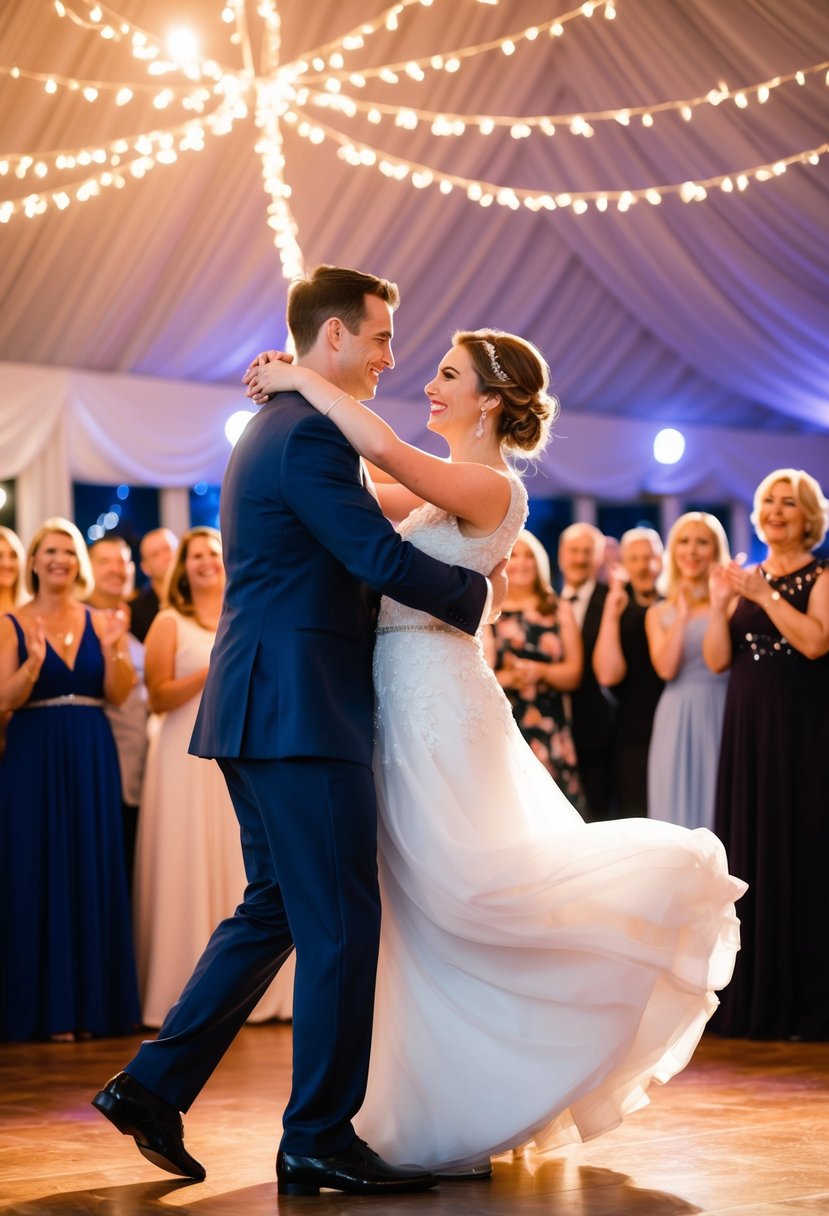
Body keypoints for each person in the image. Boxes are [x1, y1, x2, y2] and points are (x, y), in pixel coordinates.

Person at [243, 326, 745, 1174]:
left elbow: (382, 451)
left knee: (467, 885)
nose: (428, 385)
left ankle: (503, 1072)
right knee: (419, 905)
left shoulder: (488, 486)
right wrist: (292, 410)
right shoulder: (440, 496)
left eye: (446, 375)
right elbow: (350, 486)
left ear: (490, 400)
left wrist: (300, 377)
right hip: (396, 700)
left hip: (438, 698)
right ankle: (443, 1094)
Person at [92, 265, 501, 1197]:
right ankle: (317, 1133)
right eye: (381, 338)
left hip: (261, 705)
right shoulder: (310, 435)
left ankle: (151, 1088)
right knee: (342, 924)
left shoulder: (288, 424)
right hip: (302, 710)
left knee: (278, 906)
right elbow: (371, 554)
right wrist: (473, 597)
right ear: (334, 340)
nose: (391, 357)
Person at [133, 527, 293, 1027]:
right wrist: (213, 665)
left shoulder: (245, 610)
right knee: (186, 861)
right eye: (196, 554)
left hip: (238, 747)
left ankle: (249, 992)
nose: (206, 561)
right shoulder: (168, 622)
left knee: (239, 862)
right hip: (182, 756)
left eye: (213, 552)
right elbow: (156, 697)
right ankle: (180, 990)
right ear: (183, 567)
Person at [0, 518, 140, 1041]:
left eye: (67, 550)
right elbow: (5, 699)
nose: (58, 559)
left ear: (75, 561)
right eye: (49, 550)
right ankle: (44, 1011)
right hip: (33, 749)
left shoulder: (101, 619)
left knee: (91, 864)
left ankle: (95, 1009)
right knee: (33, 869)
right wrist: (34, 663)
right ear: (34, 561)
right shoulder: (11, 621)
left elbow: (121, 693)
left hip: (89, 747)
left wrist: (115, 648)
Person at [704, 469, 829, 1040]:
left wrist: (764, 595)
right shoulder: (745, 578)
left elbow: (814, 641)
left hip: (801, 731)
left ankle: (805, 998)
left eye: (789, 503)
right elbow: (715, 659)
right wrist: (717, 603)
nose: (776, 511)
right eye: (768, 502)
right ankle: (755, 998)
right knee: (751, 848)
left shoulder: (821, 575)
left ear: (809, 517)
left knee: (802, 846)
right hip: (747, 728)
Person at [486, 529, 585, 814]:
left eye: (530, 556)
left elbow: (574, 673)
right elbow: (483, 672)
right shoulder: (490, 611)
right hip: (508, 721)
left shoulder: (559, 608)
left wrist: (540, 672)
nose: (522, 563)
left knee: (557, 809)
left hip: (551, 723)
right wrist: (510, 678)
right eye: (515, 555)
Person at [646, 512, 730, 831]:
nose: (692, 551)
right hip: (675, 714)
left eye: (702, 542)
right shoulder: (657, 613)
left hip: (720, 707)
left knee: (717, 805)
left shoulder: (730, 603)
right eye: (683, 541)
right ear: (673, 551)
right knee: (673, 811)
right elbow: (666, 668)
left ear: (715, 550)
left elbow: (719, 661)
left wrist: (717, 604)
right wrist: (681, 616)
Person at [87, 536, 149, 888]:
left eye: (122, 561)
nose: (116, 569)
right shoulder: (79, 620)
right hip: (100, 761)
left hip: (139, 764)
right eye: (105, 561)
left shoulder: (135, 619)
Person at [593, 527, 664, 817]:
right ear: (622, 564)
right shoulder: (615, 608)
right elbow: (607, 675)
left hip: (674, 718)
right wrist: (612, 613)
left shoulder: (673, 603)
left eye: (650, 557)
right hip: (631, 727)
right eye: (635, 558)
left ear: (661, 560)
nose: (644, 566)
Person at [557, 522, 616, 820]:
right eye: (573, 551)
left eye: (587, 552)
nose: (579, 559)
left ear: (599, 558)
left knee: (597, 814)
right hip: (553, 729)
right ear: (560, 556)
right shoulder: (547, 602)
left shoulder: (614, 601)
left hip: (599, 730)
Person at [0, 525, 26, 755]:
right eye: (0, 556)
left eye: (13, 556)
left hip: (24, 726)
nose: (7, 563)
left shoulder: (29, 615)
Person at [130, 527, 178, 644]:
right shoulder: (135, 612)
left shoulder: (198, 595)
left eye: (168, 549)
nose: (166, 557)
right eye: (155, 554)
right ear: (145, 567)